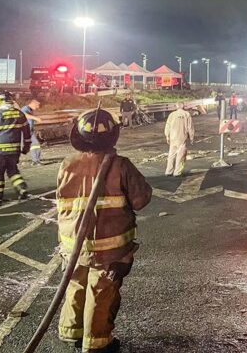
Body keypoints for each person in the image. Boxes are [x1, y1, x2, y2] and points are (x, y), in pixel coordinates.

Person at [58, 108, 152, 353]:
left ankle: (71, 331)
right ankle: (97, 343)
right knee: (101, 292)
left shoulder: (67, 163)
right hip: (108, 249)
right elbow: (141, 200)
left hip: (72, 244)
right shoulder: (121, 165)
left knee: (75, 285)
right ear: (112, 136)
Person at [164, 102, 194, 176]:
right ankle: (177, 172)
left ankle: (168, 171)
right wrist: (191, 137)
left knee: (171, 155)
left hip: (172, 137)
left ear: (176, 107)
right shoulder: (186, 114)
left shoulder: (172, 115)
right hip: (182, 137)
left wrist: (167, 136)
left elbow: (167, 126)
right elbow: (190, 127)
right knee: (181, 155)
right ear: (183, 106)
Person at [20, 98, 43, 166]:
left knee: (35, 145)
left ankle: (35, 161)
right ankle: (35, 161)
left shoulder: (30, 110)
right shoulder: (25, 108)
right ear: (33, 103)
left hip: (29, 131)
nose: (38, 107)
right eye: (37, 105)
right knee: (34, 145)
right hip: (24, 131)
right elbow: (24, 115)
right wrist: (35, 118)